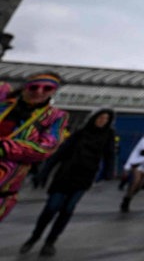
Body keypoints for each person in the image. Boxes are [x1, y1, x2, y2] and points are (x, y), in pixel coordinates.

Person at [21, 108, 116, 256]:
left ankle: (50, 242)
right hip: (65, 175)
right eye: (100, 117)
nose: (102, 121)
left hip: (84, 177)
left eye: (106, 119)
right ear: (94, 118)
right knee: (51, 208)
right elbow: (61, 153)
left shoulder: (108, 136)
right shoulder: (80, 134)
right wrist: (44, 172)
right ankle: (34, 237)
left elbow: (110, 155)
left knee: (67, 210)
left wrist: (109, 172)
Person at [0, 72, 69, 223]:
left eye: (47, 88)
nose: (39, 92)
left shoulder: (55, 116)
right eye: (34, 87)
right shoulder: (4, 105)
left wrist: (5, 147)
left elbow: (46, 147)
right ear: (25, 87)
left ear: (53, 91)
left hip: (4, 186)